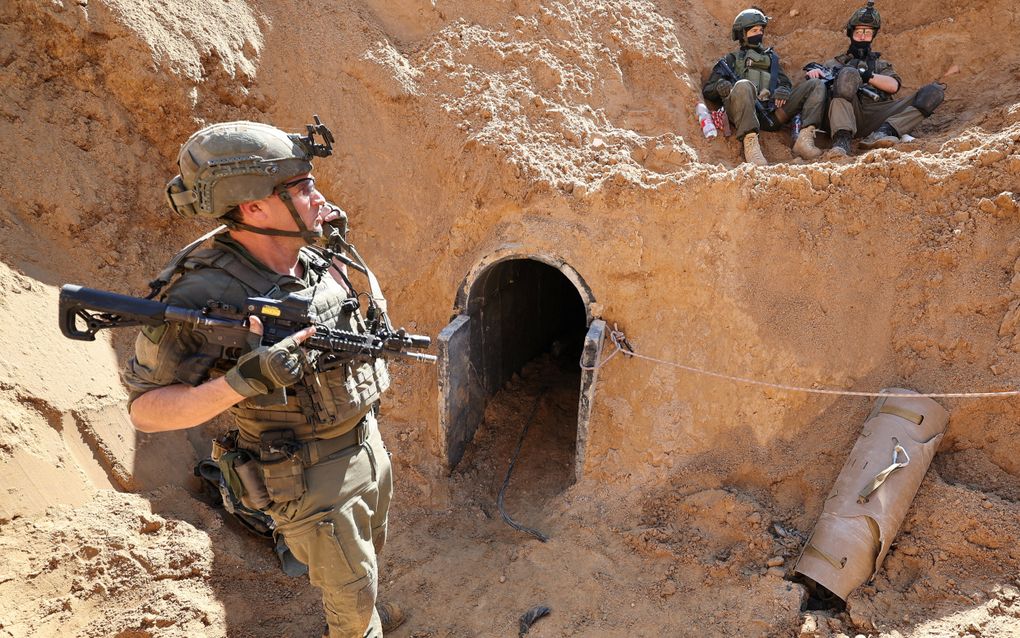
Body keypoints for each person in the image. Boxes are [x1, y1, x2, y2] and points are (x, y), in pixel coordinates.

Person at [122, 119, 404, 637]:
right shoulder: (204, 294)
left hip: (365, 447)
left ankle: (363, 613)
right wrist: (242, 382)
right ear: (253, 207)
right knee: (353, 603)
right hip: (307, 476)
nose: (319, 199)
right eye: (300, 189)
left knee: (366, 561)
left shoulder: (312, 256)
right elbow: (146, 410)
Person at [814, 1, 945, 156]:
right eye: (859, 32)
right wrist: (816, 76)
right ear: (851, 33)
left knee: (933, 93)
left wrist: (867, 76)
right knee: (847, 76)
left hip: (879, 113)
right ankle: (842, 141)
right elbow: (818, 93)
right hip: (847, 112)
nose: (863, 37)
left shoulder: (881, 65)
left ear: (873, 36)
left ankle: (884, 132)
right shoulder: (834, 63)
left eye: (867, 33)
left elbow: (893, 86)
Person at [702, 8, 828, 166]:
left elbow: (785, 82)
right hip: (742, 115)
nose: (759, 34)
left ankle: (804, 139)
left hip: (773, 115)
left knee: (816, 85)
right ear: (742, 34)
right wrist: (721, 86)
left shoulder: (771, 58)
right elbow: (708, 89)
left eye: (761, 30)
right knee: (743, 85)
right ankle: (751, 144)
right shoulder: (731, 60)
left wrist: (783, 90)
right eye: (754, 30)